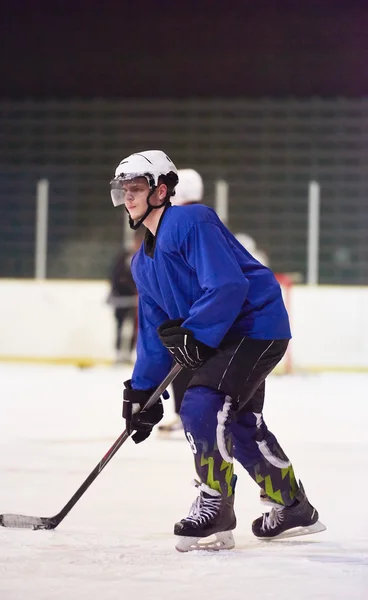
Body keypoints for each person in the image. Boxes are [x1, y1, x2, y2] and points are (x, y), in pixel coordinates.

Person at [110, 150, 325, 552]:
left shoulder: (191, 220)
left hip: (253, 327)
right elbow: (156, 335)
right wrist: (141, 392)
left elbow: (227, 285)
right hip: (223, 336)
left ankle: (215, 508)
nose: (129, 197)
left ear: (161, 191)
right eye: (124, 190)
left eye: (136, 188)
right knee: (240, 424)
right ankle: (293, 506)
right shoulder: (142, 262)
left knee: (202, 404)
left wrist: (197, 335)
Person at [158, 168, 204, 434]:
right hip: (202, 311)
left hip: (190, 312)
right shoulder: (205, 220)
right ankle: (188, 414)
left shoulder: (181, 223)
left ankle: (185, 414)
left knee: (184, 362)